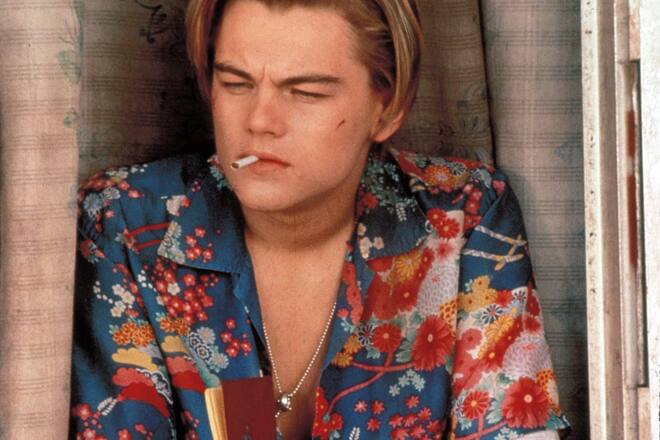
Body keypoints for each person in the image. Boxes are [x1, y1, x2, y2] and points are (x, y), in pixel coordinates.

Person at [69, 0, 571, 439]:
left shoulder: (464, 214)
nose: (259, 121)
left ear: (388, 106)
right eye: (235, 83)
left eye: (306, 92)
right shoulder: (126, 221)